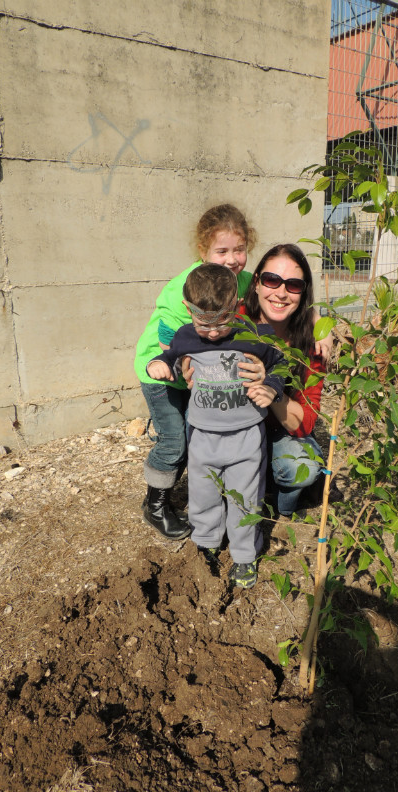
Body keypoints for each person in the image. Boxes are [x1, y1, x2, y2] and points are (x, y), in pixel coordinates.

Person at [146, 263, 284, 588]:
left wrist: (272, 385)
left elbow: (282, 363)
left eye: (221, 321)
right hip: (203, 437)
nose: (211, 331)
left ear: (236, 304)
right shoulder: (185, 337)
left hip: (245, 437)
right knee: (203, 493)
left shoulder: (254, 335)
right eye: (202, 322)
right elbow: (171, 358)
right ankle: (207, 543)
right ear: (187, 309)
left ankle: (245, 556)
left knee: (244, 500)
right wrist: (160, 364)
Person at [133, 204, 257, 540]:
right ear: (203, 251)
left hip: (201, 369)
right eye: (222, 251)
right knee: (175, 440)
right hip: (161, 369)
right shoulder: (181, 289)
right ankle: (155, 505)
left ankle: (215, 496)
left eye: (240, 249)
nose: (232, 259)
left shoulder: (244, 281)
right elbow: (170, 342)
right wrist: (187, 371)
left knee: (194, 436)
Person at [241, 243, 343, 517]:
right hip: (237, 428)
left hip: (279, 431)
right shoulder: (236, 320)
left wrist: (273, 391)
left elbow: (306, 422)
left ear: (304, 292)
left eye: (294, 285)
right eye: (272, 280)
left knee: (302, 468)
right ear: (256, 284)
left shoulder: (313, 346)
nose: (281, 292)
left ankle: (284, 510)